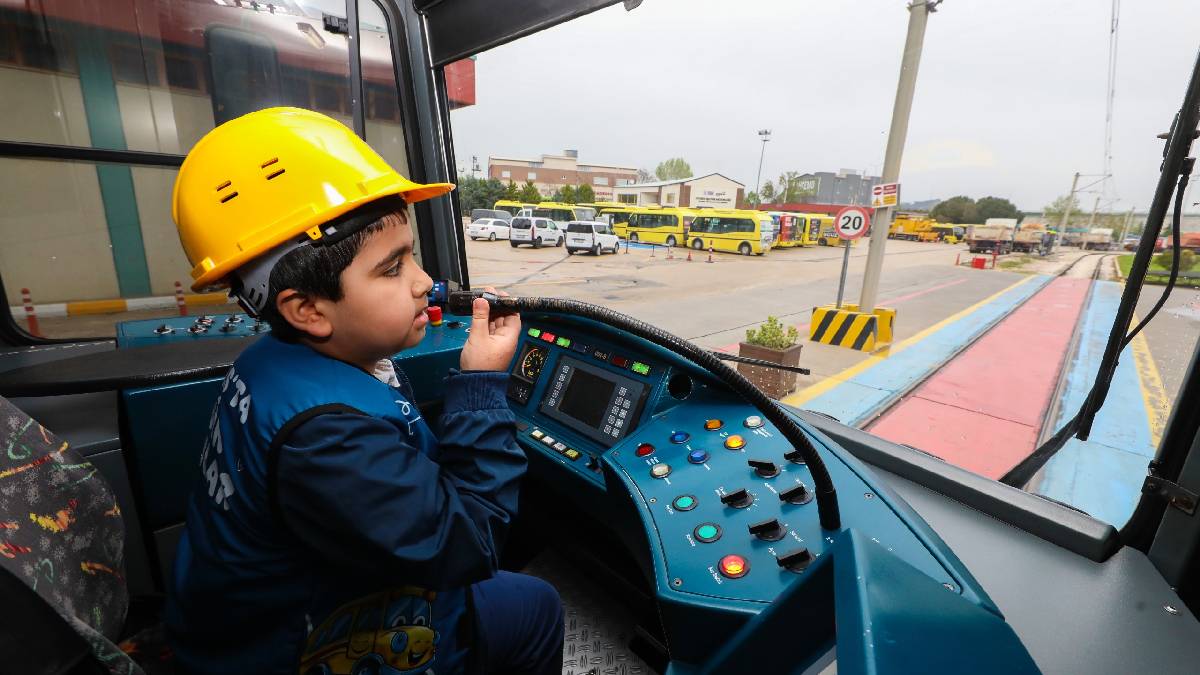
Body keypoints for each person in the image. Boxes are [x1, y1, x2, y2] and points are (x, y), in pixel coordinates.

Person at [164, 107, 563, 674]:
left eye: (414, 256)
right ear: (306, 310)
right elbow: (471, 542)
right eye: (393, 268)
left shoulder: (276, 362)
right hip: (295, 649)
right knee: (538, 604)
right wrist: (478, 389)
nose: (424, 281)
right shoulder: (325, 438)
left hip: (266, 616)